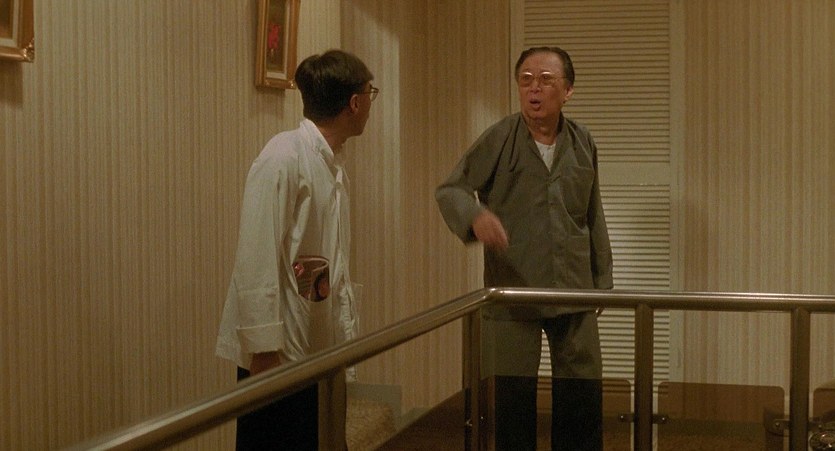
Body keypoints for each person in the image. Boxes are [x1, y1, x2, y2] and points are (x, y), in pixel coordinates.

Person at [435, 46, 613, 451]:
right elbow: (451, 188)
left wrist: (603, 279)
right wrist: (475, 217)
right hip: (513, 290)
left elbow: (592, 213)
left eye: (546, 80)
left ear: (567, 90)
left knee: (582, 400)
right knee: (512, 406)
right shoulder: (500, 138)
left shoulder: (583, 141)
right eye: (526, 80)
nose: (534, 89)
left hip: (574, 289)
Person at [215, 49, 377, 451]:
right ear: (354, 103)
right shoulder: (283, 156)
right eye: (370, 93)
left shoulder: (330, 163)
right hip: (277, 354)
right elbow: (255, 254)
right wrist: (264, 350)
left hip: (314, 345)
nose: (370, 102)